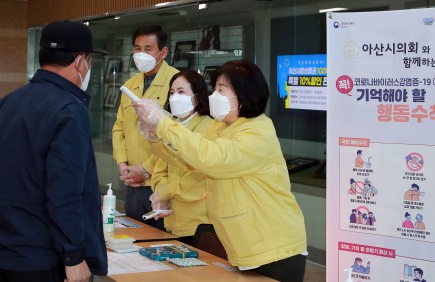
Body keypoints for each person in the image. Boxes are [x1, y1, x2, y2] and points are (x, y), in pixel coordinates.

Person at [132, 60, 307, 281]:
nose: (214, 96)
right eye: (215, 89)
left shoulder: (258, 132)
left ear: (243, 96)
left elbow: (211, 158)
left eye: (221, 90)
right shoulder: (220, 126)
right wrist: (156, 136)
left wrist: (164, 124)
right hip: (242, 245)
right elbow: (189, 161)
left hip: (274, 247)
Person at [0, 21, 107, 282]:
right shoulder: (69, 110)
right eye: (90, 61)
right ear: (81, 61)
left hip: (1, 250)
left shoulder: (3, 105)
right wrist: (75, 256)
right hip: (42, 259)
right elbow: (65, 192)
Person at [111, 25, 179, 229]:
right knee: (134, 239)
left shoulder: (176, 83)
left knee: (159, 243)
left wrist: (146, 170)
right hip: (133, 182)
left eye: (148, 49)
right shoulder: (130, 84)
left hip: (161, 183)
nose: (141, 54)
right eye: (137, 48)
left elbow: (177, 136)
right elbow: (119, 128)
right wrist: (123, 164)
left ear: (163, 52)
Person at [150, 70, 214, 245]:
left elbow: (198, 177)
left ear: (197, 96)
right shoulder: (170, 128)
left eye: (181, 92)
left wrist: (165, 192)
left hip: (199, 223)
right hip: (172, 220)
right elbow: (160, 169)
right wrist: (160, 195)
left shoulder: (208, 128)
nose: (174, 97)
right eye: (171, 93)